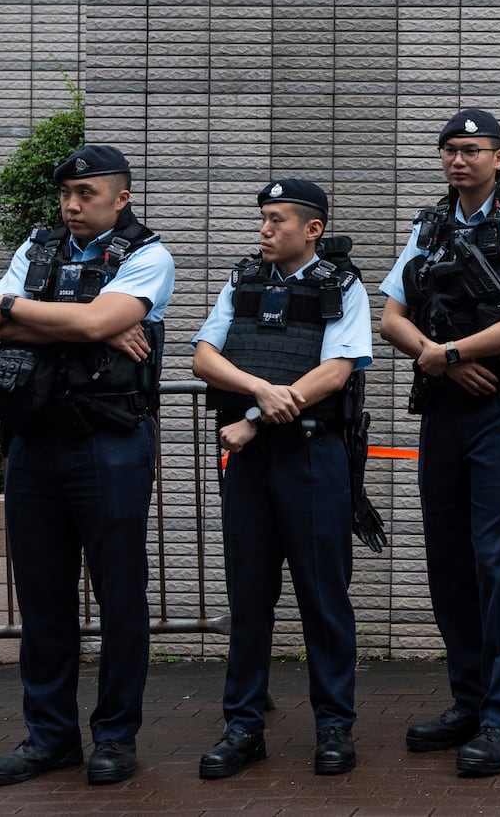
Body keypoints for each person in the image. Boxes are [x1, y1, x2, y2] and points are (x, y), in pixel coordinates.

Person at [0, 144, 175, 787]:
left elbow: (104, 321)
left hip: (108, 443)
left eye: (85, 194)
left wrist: (25, 313)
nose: (70, 205)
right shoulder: (37, 248)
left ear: (121, 197)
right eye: (65, 193)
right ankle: (50, 737)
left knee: (120, 597)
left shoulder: (147, 255)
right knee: (43, 599)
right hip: (34, 444)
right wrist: (77, 323)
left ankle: (115, 737)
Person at [379, 108, 500, 777]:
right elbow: (391, 316)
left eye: (472, 149)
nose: (459, 160)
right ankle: (469, 698)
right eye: (449, 149)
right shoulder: (429, 225)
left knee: (498, 562)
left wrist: (447, 349)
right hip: (445, 409)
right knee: (449, 561)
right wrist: (444, 357)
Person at [190, 179, 372, 779]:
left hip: (312, 460)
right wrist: (258, 394)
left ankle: (334, 728)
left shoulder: (342, 286)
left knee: (324, 599)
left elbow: (337, 370)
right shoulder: (243, 280)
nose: (264, 229)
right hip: (252, 466)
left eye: (276, 220)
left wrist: (249, 417)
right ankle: (243, 727)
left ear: (312, 229)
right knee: (248, 599)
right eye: (262, 219)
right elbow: (204, 356)